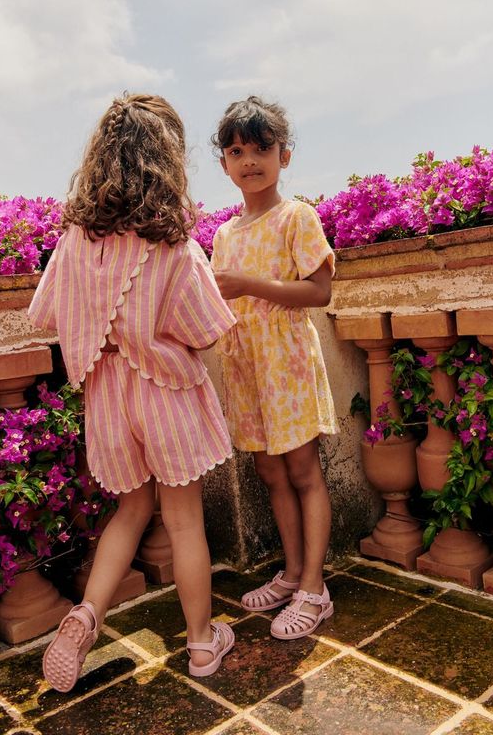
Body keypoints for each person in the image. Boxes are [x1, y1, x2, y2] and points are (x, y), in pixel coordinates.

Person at [28, 94, 236, 691]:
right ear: (165, 161)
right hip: (164, 393)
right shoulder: (172, 242)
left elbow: (49, 314)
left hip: (107, 396)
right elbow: (208, 330)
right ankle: (201, 644)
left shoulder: (75, 240)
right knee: (185, 522)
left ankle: (85, 616)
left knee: (130, 510)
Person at [210, 96, 338, 640]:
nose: (250, 160)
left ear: (284, 155)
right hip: (247, 368)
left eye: (262, 148)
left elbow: (320, 290)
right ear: (224, 164)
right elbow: (216, 300)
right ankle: (289, 573)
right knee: (269, 472)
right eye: (237, 151)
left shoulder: (296, 216)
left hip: (286, 364)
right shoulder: (223, 235)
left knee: (304, 471)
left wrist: (248, 286)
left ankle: (315, 587)